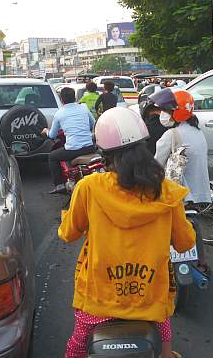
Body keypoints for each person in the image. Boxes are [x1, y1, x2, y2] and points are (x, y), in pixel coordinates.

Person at [60, 107, 195, 358]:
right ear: (144, 144)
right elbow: (185, 243)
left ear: (104, 152)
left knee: (76, 349)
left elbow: (68, 233)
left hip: (98, 301)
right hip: (151, 300)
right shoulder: (166, 191)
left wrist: (67, 214)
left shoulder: (88, 188)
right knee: (165, 343)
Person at [153, 88, 211, 274]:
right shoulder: (198, 132)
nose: (162, 114)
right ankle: (202, 262)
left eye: (166, 111)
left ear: (175, 112)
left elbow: (156, 163)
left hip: (178, 193)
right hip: (198, 191)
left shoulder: (172, 135)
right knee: (193, 225)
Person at [41, 87, 96, 194]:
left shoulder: (59, 113)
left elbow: (52, 135)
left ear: (62, 99)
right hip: (90, 147)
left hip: (73, 149)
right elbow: (93, 123)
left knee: (52, 156)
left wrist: (45, 131)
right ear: (75, 97)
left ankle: (59, 185)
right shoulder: (84, 108)